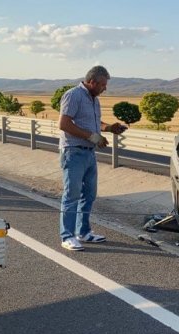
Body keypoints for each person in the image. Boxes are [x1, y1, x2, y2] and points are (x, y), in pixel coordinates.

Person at [57, 65, 127, 251]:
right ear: (92, 82)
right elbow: (64, 124)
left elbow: (93, 123)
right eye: (103, 85)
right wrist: (92, 136)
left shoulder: (94, 100)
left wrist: (109, 128)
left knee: (88, 195)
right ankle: (67, 236)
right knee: (71, 195)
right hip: (73, 152)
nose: (105, 88)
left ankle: (84, 232)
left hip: (88, 153)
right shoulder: (73, 95)